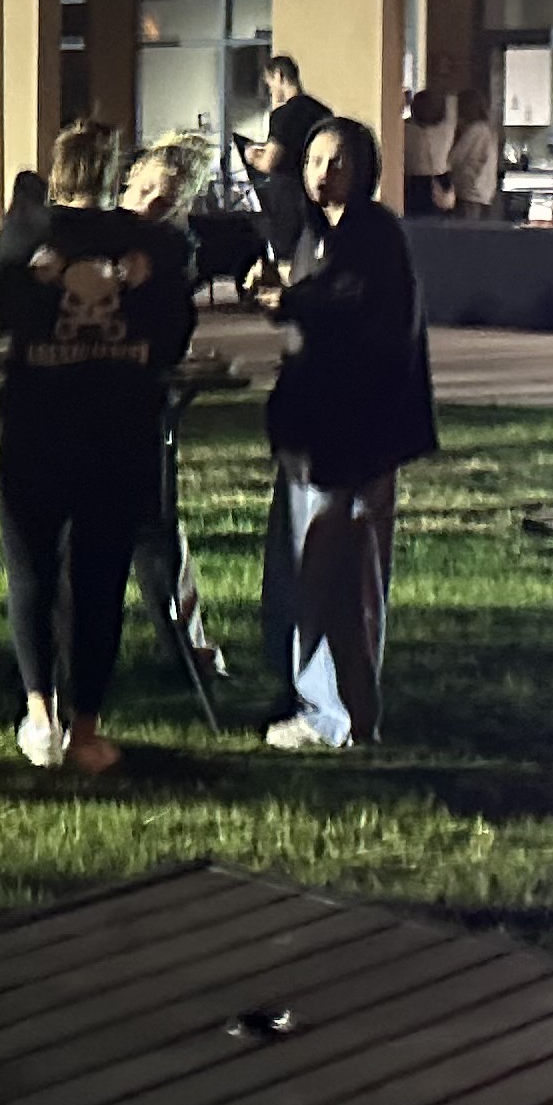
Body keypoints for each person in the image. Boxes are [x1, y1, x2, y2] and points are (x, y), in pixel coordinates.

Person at [0, 119, 195, 775]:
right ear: (112, 174)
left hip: (38, 425)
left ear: (56, 170)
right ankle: (87, 728)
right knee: (99, 578)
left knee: (33, 569)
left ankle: (38, 712)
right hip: (118, 429)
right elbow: (174, 334)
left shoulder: (25, 234)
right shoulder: (151, 243)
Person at [256, 118, 438, 751]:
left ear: (365, 169)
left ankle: (334, 712)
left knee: (333, 569)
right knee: (340, 570)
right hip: (337, 430)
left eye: (337, 161)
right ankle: (349, 710)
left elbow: (351, 311)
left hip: (349, 433)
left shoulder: (370, 236)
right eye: (313, 160)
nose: (321, 172)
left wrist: (290, 302)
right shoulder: (323, 235)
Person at [117, 144, 224, 685]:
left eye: (167, 200)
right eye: (145, 192)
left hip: (145, 404)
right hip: (93, 402)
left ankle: (189, 648)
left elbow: (173, 329)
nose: (152, 204)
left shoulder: (174, 252)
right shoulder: (99, 236)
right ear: (130, 180)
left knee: (158, 531)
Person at [243, 55, 328, 264]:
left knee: (288, 260)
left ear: (279, 76)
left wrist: (251, 155)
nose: (270, 90)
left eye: (270, 83)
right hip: (317, 194)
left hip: (289, 199)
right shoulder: (322, 111)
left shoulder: (285, 115)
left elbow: (269, 162)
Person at [445, 87, 502, 221]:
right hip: (483, 191)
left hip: (471, 190)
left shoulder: (475, 131)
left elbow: (454, 158)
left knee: (467, 228)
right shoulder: (486, 129)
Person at [400, 89, 455, 218]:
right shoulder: (446, 130)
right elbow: (452, 102)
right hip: (441, 179)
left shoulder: (405, 130)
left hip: (413, 181)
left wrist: (402, 103)